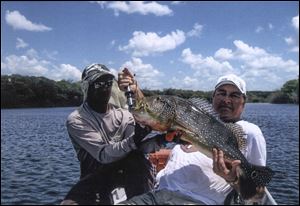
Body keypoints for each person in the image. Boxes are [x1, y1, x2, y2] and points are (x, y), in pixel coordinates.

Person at [117, 71, 267, 205]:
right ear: (213, 97)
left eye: (234, 95)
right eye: (221, 93)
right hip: (156, 196)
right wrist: (135, 89)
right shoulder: (190, 120)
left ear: (243, 101)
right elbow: (150, 111)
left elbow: (257, 195)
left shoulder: (249, 131)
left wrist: (231, 178)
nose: (226, 99)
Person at [61, 63, 171, 205]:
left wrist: (163, 139)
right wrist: (135, 139)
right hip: (96, 176)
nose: (105, 88)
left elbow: (139, 148)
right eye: (98, 84)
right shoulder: (77, 120)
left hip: (131, 172)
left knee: (137, 163)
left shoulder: (123, 115)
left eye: (108, 83)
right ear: (86, 87)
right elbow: (104, 155)